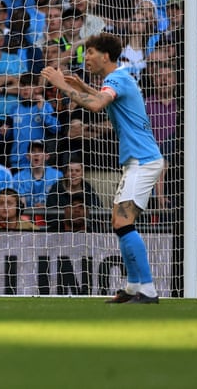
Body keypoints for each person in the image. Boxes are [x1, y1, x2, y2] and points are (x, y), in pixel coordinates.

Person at [42, 32, 165, 304]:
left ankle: (147, 289)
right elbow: (102, 97)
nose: (86, 57)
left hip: (143, 162)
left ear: (105, 56)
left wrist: (63, 84)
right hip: (139, 161)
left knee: (123, 222)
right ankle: (134, 286)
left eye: (90, 53)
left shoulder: (116, 77)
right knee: (118, 222)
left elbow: (97, 105)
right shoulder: (118, 78)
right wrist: (83, 86)